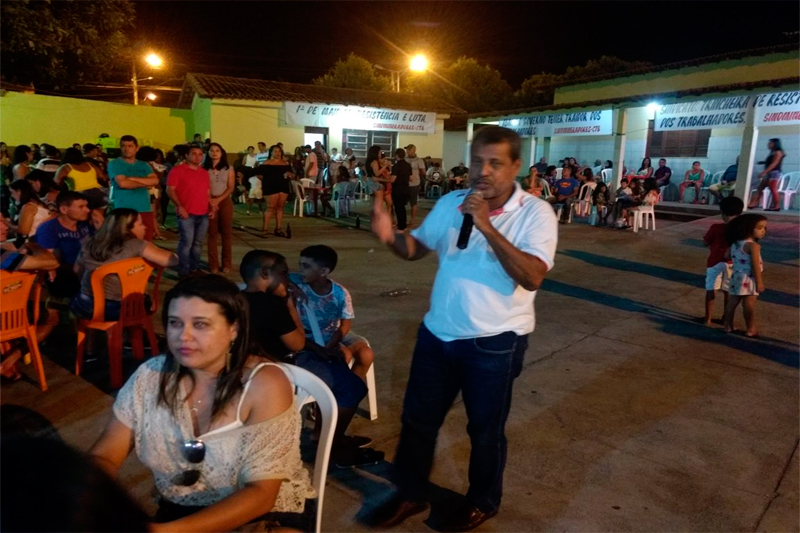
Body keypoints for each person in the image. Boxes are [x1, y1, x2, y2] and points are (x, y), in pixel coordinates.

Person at [369, 126, 558, 531]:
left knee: (485, 429)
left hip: (495, 343)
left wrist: (486, 225)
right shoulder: (453, 202)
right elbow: (416, 248)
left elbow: (532, 277)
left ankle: (483, 500)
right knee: (418, 421)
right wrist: (389, 235)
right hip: (437, 335)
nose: (482, 171)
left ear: (515, 167)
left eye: (494, 163)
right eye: (477, 162)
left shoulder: (536, 213)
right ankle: (410, 492)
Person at [89, 274, 316, 532]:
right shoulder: (150, 377)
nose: (183, 336)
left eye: (200, 324)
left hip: (262, 514)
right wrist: (87, 498)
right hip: (180, 508)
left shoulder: (263, 383)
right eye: (175, 323)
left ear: (234, 329)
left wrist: (161, 531)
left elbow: (262, 494)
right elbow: (105, 454)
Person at [288, 245, 382, 467]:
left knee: (366, 354)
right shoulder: (295, 281)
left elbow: (345, 324)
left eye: (306, 266)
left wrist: (332, 343)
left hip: (332, 333)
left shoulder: (339, 293)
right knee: (344, 357)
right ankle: (327, 421)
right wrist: (292, 286)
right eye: (300, 264)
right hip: (310, 338)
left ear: (324, 271)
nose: (299, 270)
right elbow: (277, 276)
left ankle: (338, 409)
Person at [70, 208, 178, 321]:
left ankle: (95, 337)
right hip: (120, 307)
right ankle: (133, 337)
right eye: (140, 224)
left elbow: (77, 270)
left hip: (86, 305)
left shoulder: (90, 242)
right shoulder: (137, 245)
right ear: (127, 228)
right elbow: (171, 260)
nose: (144, 227)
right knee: (144, 300)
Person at [0, 214, 60, 381]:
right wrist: (32, 245)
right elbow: (51, 262)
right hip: (9, 319)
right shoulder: (3, 256)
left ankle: (8, 365)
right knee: (52, 316)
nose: (6, 226)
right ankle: (10, 361)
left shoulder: (6, 255)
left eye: (5, 221)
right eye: (0, 223)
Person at [33, 191, 92, 298]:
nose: (87, 210)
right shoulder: (49, 229)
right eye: (81, 207)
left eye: (86, 206)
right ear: (64, 209)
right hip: (66, 276)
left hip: (87, 270)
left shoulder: (85, 224)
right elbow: (47, 258)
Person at [167, 145, 211, 277]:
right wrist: (180, 206)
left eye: (200, 154)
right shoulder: (177, 170)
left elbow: (207, 192)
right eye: (194, 154)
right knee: (186, 243)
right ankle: (184, 270)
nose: (197, 156)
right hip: (187, 213)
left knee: (198, 244)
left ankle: (195, 268)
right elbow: (170, 190)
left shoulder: (204, 173)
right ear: (186, 156)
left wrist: (211, 206)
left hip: (203, 214)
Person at [702, 196, 744, 326]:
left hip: (714, 262)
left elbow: (705, 242)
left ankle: (707, 319)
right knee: (728, 292)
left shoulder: (716, 227)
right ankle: (726, 318)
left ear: (723, 212)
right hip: (732, 264)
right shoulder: (741, 230)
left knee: (711, 290)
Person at [107, 136, 159, 240]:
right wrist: (145, 182)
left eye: (130, 146)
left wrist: (131, 179)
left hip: (144, 208)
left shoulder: (143, 165)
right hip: (124, 210)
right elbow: (123, 184)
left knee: (146, 242)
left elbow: (155, 181)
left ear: (136, 148)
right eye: (123, 146)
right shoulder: (115, 164)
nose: (126, 149)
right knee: (125, 242)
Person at [723, 214, 767, 337]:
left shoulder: (735, 244)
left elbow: (726, 256)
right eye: (759, 228)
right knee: (749, 304)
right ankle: (751, 329)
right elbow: (755, 265)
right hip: (749, 277)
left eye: (764, 228)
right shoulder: (753, 246)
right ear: (747, 228)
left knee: (732, 302)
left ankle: (728, 325)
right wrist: (759, 282)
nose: (763, 231)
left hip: (736, 276)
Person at [203, 143, 235, 274]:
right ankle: (213, 265)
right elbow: (204, 187)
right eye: (212, 150)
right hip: (209, 202)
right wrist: (211, 201)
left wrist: (218, 200)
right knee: (212, 234)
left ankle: (226, 263)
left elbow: (231, 187)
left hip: (224, 201)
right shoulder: (204, 169)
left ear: (222, 153)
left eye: (217, 150)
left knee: (226, 234)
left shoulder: (229, 168)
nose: (214, 153)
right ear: (208, 153)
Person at [55, 147, 107, 222]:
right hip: (100, 193)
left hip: (80, 195)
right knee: (99, 217)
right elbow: (102, 177)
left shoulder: (66, 167)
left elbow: (56, 182)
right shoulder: (90, 164)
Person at [259, 145, 293, 237]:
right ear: (271, 152)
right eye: (275, 151)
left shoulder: (285, 163)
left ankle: (278, 228)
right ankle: (265, 229)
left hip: (283, 186)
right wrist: (267, 181)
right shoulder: (266, 163)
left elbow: (291, 174)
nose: (277, 153)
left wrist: (289, 175)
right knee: (270, 207)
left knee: (280, 208)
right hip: (270, 187)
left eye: (279, 151)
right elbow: (259, 175)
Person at [748, 138, 785, 211]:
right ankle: (752, 204)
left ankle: (776, 206)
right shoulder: (773, 152)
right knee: (760, 188)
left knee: (773, 189)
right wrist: (762, 163)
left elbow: (774, 164)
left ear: (775, 144)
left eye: (770, 143)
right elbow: (771, 162)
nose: (768, 145)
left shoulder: (778, 152)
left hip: (773, 173)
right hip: (770, 173)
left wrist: (764, 172)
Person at [390, 148, 413, 231]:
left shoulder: (396, 166)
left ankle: (401, 227)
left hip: (398, 189)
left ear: (397, 155)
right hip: (406, 188)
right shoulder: (408, 165)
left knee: (398, 208)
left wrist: (383, 179)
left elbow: (393, 179)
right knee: (402, 208)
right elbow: (411, 178)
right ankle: (403, 224)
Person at [404, 145, 426, 226]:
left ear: (412, 150)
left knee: (413, 202)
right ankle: (403, 219)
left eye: (408, 150)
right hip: (405, 184)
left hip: (414, 184)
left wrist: (416, 176)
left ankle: (412, 220)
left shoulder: (419, 160)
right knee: (403, 203)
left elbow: (423, 172)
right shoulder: (404, 159)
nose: (406, 152)